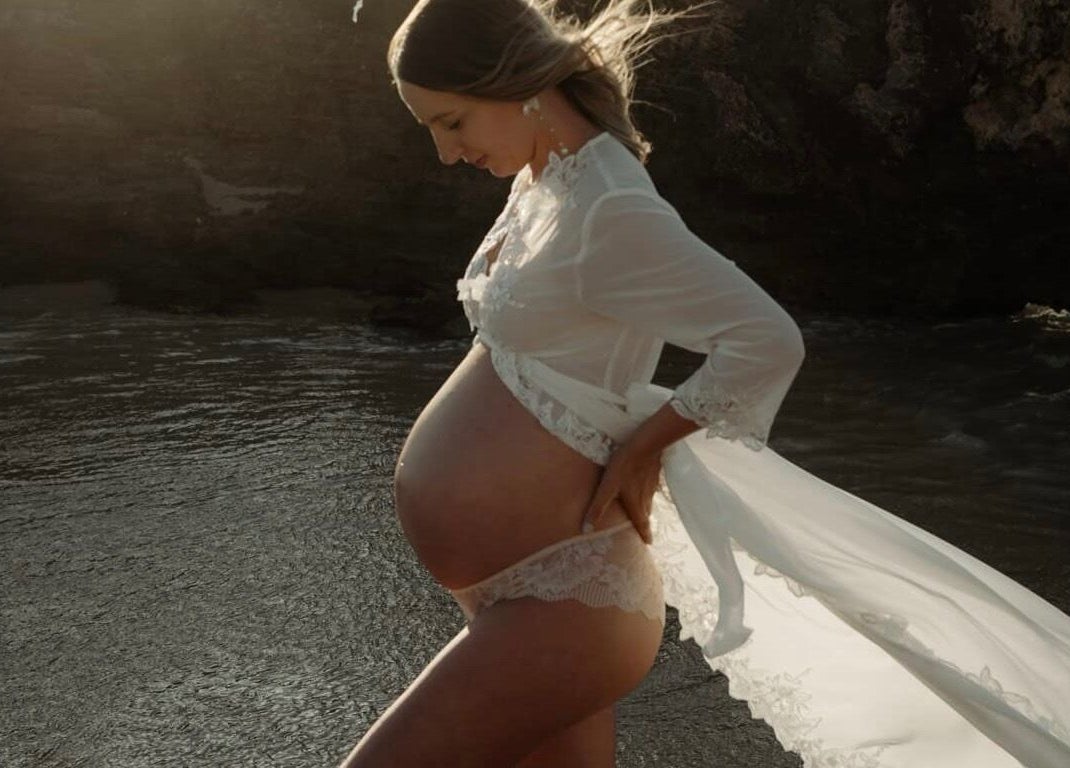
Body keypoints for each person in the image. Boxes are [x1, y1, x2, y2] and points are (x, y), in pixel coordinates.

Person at [338, 1, 1070, 766]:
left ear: (511, 82)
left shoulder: (610, 206)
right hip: (526, 596)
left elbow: (765, 340)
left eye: (451, 122)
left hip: (565, 605)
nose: (445, 154)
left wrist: (648, 445)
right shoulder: (547, 175)